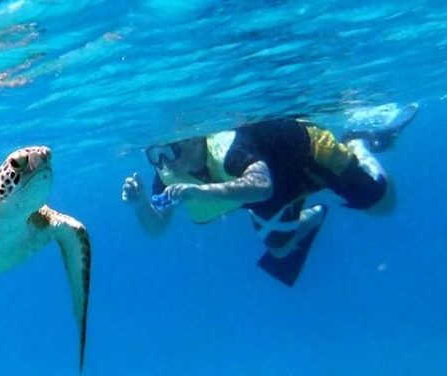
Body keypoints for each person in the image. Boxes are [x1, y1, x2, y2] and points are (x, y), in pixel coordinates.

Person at [120, 103, 418, 286]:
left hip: (306, 157)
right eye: (155, 155)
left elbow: (261, 184)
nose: (164, 162)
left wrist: (201, 191)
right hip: (269, 195)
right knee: (279, 251)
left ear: (197, 139)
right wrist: (140, 205)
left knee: (383, 204)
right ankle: (311, 217)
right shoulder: (168, 171)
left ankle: (359, 142)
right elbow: (157, 227)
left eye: (170, 150)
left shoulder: (228, 148)